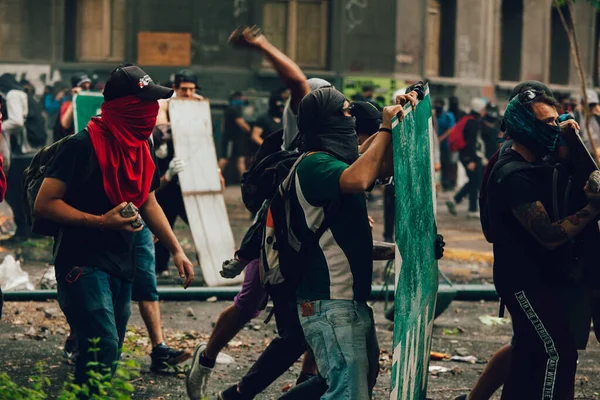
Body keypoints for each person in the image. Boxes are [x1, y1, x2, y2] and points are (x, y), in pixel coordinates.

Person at [34, 64, 195, 389]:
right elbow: (45, 203)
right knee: (102, 344)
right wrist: (100, 221)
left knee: (110, 349)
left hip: (121, 262)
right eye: (145, 104)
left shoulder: (141, 146)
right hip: (81, 262)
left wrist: (176, 249)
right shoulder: (80, 146)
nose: (153, 111)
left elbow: (148, 201)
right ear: (126, 107)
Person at [284, 87, 411, 399]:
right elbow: (360, 177)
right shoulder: (314, 164)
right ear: (325, 121)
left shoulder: (334, 163)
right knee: (347, 393)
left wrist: (399, 126)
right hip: (330, 302)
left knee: (355, 382)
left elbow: (377, 165)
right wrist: (383, 127)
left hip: (345, 301)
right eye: (344, 112)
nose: (350, 119)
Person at [483, 89, 600, 399]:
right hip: (522, 281)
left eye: (554, 120)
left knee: (527, 353)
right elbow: (548, 235)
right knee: (557, 352)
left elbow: (571, 163)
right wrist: (591, 209)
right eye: (546, 122)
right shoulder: (512, 174)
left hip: (545, 277)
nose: (553, 127)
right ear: (525, 126)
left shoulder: (534, 155)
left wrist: (567, 131)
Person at [0, 74, 43, 241]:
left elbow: (17, 121)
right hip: (31, 151)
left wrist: (1, 126)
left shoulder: (12, 95)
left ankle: (24, 230)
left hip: (24, 153)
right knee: (27, 192)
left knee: (13, 191)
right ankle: (31, 230)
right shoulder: (22, 94)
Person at [446, 98, 487, 218]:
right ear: (479, 109)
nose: (484, 111)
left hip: (466, 156)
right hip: (470, 157)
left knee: (474, 181)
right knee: (475, 181)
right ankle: (472, 209)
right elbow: (471, 143)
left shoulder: (469, 120)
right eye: (483, 109)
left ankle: (455, 200)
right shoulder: (473, 122)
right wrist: (472, 160)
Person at [218, 91, 252, 179]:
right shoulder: (233, 109)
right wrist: (250, 130)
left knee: (240, 160)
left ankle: (244, 181)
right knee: (224, 159)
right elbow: (241, 123)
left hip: (237, 139)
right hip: (231, 140)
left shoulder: (234, 108)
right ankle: (215, 178)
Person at [54, 72, 93, 142]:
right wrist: (76, 98)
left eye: (89, 87)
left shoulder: (90, 105)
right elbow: (65, 124)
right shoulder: (68, 104)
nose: (87, 90)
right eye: (83, 87)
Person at [434, 98, 457, 191]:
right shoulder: (434, 116)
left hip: (446, 145)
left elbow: (451, 129)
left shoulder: (448, 116)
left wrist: (440, 138)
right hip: (436, 145)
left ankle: (447, 183)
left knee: (447, 164)